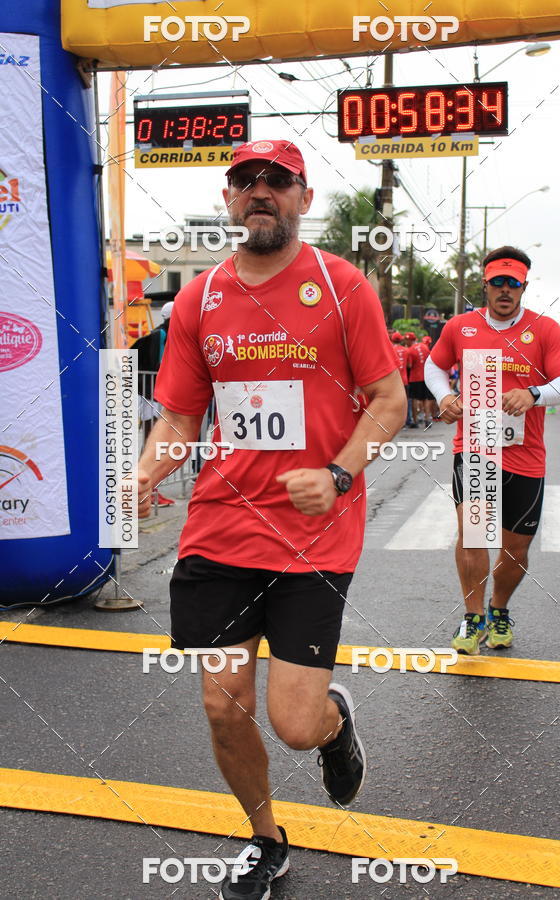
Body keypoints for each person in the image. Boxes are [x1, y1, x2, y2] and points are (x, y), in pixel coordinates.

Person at [136, 140, 406, 900]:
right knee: (223, 707)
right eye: (245, 181)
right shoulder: (200, 299)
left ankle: (332, 723)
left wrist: (339, 472)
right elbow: (180, 417)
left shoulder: (341, 285)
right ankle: (265, 839)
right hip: (221, 526)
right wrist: (147, 471)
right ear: (228, 200)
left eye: (277, 181)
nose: (261, 191)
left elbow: (389, 401)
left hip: (316, 534)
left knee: (293, 724)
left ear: (303, 197)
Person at [424, 246, 560, 654]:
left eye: (513, 283)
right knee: (472, 535)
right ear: (485, 284)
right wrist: (444, 396)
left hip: (525, 456)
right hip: (476, 449)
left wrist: (534, 394)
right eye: (498, 282)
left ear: (524, 286)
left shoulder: (544, 330)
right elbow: (434, 366)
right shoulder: (461, 327)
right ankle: (473, 617)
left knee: (515, 549)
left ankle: (499, 608)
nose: (505, 290)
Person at [132, 301, 175, 507]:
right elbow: (157, 364)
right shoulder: (160, 335)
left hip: (153, 393)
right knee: (152, 441)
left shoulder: (162, 333)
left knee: (154, 442)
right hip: (150, 394)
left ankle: (149, 489)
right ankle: (146, 490)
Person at [406, 332, 434, 426]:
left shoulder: (410, 350)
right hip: (425, 376)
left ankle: (415, 421)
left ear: (409, 340)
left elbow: (409, 365)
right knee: (426, 398)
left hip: (415, 378)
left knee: (415, 399)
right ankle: (427, 419)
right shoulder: (424, 347)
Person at [390, 331, 411, 425]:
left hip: (393, 381)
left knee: (393, 401)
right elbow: (409, 365)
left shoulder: (390, 350)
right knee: (406, 400)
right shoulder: (406, 350)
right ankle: (407, 420)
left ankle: (395, 422)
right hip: (404, 379)